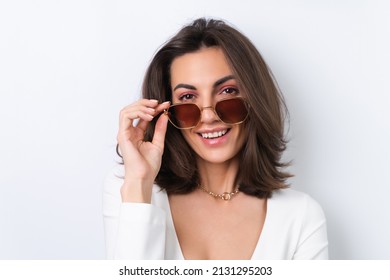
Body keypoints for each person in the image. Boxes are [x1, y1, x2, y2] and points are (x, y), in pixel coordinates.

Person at [103, 18, 328, 260]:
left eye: (228, 92)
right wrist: (139, 183)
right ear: (166, 111)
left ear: (254, 99)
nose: (208, 116)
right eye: (188, 97)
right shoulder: (129, 190)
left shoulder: (301, 217)